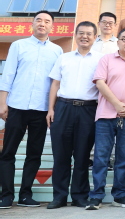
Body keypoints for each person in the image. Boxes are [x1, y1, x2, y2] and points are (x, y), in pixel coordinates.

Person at [0, 11, 63, 209]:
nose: (42, 24)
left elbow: (56, 82)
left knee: (34, 154)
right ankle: (6, 195)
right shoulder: (18, 45)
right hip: (17, 106)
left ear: (52, 26)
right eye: (39, 20)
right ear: (32, 24)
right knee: (8, 152)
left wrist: (52, 108)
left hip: (41, 109)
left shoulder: (57, 51)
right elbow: (8, 74)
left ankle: (25, 195)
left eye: (47, 21)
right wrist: (3, 102)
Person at [46, 21, 102, 209]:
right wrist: (51, 109)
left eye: (89, 34)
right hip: (63, 108)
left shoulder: (101, 60)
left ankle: (79, 196)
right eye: (81, 33)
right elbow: (55, 84)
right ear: (75, 35)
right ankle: (59, 196)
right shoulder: (64, 58)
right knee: (60, 155)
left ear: (95, 37)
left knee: (82, 155)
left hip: (88, 110)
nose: (84, 36)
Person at [86, 28, 125, 210]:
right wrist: (117, 104)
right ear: (117, 42)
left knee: (123, 158)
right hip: (106, 114)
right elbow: (100, 82)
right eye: (124, 39)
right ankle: (96, 196)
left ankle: (119, 195)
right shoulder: (107, 59)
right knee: (101, 157)